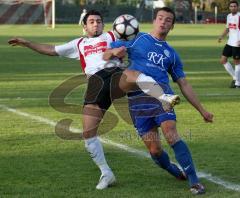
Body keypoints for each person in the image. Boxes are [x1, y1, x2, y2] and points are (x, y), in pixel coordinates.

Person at [8, 10, 180, 190]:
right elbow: (51, 50)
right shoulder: (79, 44)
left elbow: (136, 40)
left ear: (104, 25)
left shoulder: (113, 34)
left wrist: (118, 51)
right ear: (85, 26)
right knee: (88, 133)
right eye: (91, 22)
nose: (96, 24)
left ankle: (163, 97)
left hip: (115, 75)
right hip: (95, 84)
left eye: (99, 21)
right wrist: (26, 43)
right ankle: (106, 173)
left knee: (132, 74)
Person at [104, 7, 214, 195]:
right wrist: (116, 53)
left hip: (163, 95)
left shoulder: (172, 55)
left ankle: (194, 182)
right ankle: (174, 171)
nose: (163, 22)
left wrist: (202, 110)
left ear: (172, 26)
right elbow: (105, 55)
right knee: (155, 151)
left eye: (168, 20)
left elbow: (184, 84)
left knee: (170, 132)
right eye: (161, 18)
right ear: (154, 21)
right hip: (137, 99)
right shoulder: (137, 39)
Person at [218, 0, 240, 88]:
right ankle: (235, 77)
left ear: (238, 7)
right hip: (230, 42)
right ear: (229, 7)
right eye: (231, 6)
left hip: (237, 43)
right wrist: (221, 36)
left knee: (237, 62)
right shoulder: (229, 16)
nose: (233, 8)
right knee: (223, 60)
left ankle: (238, 83)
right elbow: (227, 28)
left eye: (235, 6)